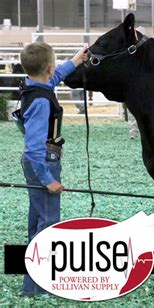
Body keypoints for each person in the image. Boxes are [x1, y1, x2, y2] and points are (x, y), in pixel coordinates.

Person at [15, 42, 87, 296]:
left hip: (37, 162)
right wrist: (48, 179)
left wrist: (75, 61)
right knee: (48, 224)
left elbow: (53, 78)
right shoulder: (42, 102)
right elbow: (33, 147)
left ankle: (31, 284)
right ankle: (40, 284)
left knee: (37, 219)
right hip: (43, 162)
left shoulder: (33, 85)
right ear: (49, 67)